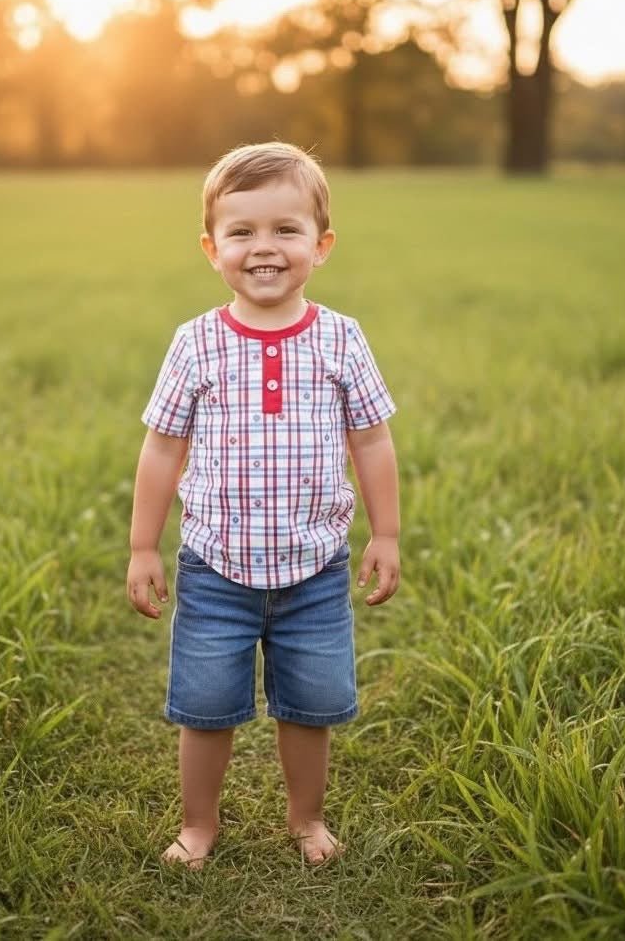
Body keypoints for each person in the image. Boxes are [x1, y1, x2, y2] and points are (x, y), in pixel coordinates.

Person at [127, 142, 400, 869]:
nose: (264, 248)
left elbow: (372, 441)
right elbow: (161, 449)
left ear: (322, 244)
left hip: (314, 570)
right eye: (242, 232)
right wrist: (143, 546)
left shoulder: (342, 340)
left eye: (286, 229)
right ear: (212, 247)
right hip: (216, 569)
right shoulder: (197, 344)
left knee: (310, 706)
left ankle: (306, 819)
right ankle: (199, 824)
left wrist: (387, 533)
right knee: (206, 706)